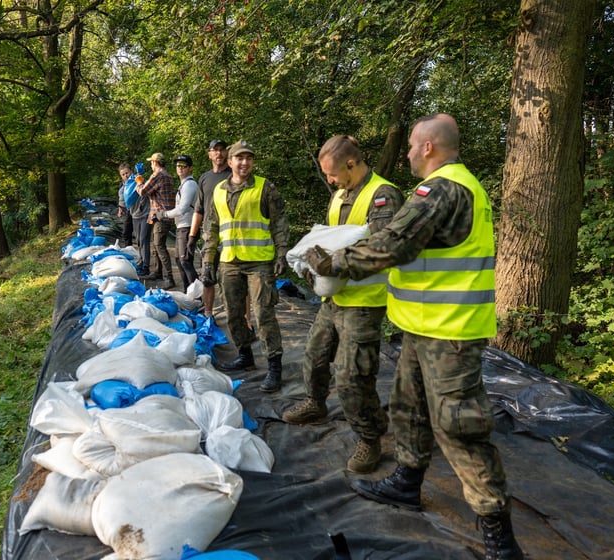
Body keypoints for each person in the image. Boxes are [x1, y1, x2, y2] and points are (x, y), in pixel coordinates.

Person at [305, 113, 523, 559]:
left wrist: (334, 264)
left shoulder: (443, 187)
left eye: (409, 146)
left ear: (428, 147)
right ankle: (407, 480)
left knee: (458, 427)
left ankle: (498, 534)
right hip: (423, 327)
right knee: (408, 410)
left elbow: (394, 244)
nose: (405, 153)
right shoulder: (453, 186)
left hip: (450, 334)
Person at [283, 135, 404, 474]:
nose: (329, 181)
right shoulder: (340, 194)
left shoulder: (383, 195)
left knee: (353, 375)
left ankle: (370, 435)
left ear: (351, 163)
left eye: (333, 174)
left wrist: (332, 265)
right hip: (334, 296)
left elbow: (383, 249)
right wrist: (313, 265)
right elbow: (332, 238)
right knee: (316, 355)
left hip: (364, 302)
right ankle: (315, 402)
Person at [201, 140, 290, 392]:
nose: (244, 163)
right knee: (232, 314)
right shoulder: (218, 190)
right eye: (239, 158)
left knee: (263, 314)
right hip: (229, 261)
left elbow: (279, 223)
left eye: (249, 158)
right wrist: (208, 260)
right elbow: (212, 228)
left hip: (260, 262)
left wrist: (282, 254)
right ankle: (245, 356)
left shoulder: (265, 188)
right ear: (229, 162)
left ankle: (274, 366)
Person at [191, 139, 256, 335]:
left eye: (221, 150)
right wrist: (192, 236)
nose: (218, 154)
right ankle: (208, 315)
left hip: (233, 239)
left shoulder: (235, 176)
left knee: (239, 282)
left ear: (227, 154)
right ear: (209, 154)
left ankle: (246, 321)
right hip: (210, 237)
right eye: (214, 150)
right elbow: (199, 208)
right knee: (207, 277)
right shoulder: (204, 178)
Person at [158, 154, 199, 292]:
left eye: (183, 166)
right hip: (181, 226)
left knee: (185, 261)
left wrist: (164, 214)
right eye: (178, 165)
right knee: (179, 260)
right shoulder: (183, 184)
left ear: (190, 168)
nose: (180, 168)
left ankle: (198, 296)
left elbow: (183, 208)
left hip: (187, 227)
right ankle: (188, 292)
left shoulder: (190, 184)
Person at [137, 152, 177, 289]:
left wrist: (139, 181)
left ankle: (169, 278)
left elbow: (143, 191)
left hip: (160, 215)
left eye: (151, 162)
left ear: (155, 162)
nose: (150, 165)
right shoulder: (167, 175)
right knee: (156, 245)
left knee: (159, 245)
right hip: (163, 214)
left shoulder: (158, 175)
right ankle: (157, 272)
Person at [116, 164, 134, 248]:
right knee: (126, 232)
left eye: (127, 173)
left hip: (133, 209)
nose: (125, 176)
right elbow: (121, 198)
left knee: (128, 231)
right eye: (123, 175)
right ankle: (129, 248)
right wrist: (119, 209)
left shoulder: (134, 182)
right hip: (124, 210)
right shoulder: (121, 185)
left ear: (131, 172)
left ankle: (131, 248)